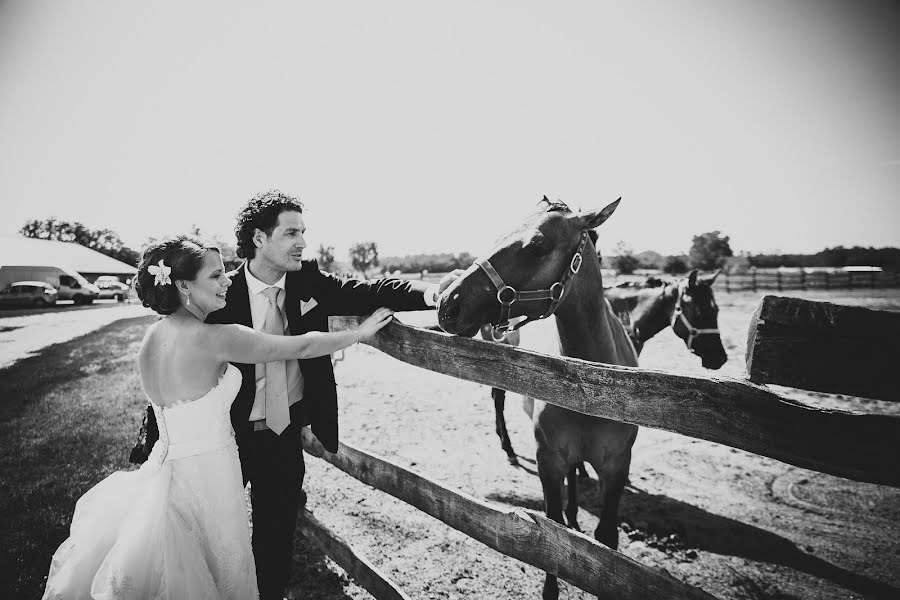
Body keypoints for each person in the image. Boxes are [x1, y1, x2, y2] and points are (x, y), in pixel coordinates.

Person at [134, 190, 458, 600]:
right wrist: (156, 437)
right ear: (258, 239)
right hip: (225, 438)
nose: (303, 242)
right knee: (203, 538)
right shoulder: (215, 294)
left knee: (275, 536)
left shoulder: (311, 284)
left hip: (283, 432)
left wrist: (432, 296)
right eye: (291, 233)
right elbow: (177, 364)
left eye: (304, 232)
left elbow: (372, 290)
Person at [42, 235, 395, 599]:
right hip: (209, 478)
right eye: (215, 276)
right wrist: (360, 334)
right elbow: (302, 346)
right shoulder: (216, 338)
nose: (227, 280)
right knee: (216, 573)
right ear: (183, 285)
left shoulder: (151, 336)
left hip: (164, 469)